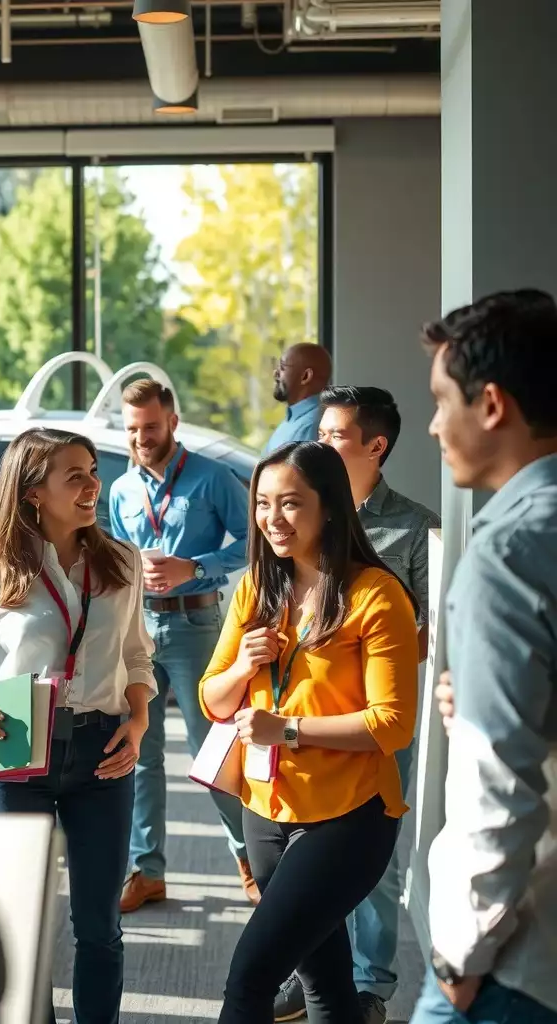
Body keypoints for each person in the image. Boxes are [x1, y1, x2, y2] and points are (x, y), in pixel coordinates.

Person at [0, 427, 156, 1024]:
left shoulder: (122, 562)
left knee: (99, 925)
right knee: (23, 922)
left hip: (102, 747)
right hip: (15, 745)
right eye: (74, 476)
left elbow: (136, 656)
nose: (91, 486)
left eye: (92, 472)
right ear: (33, 493)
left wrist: (138, 720)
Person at [201, 440, 419, 1024]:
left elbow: (392, 724)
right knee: (323, 980)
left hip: (349, 815)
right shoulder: (255, 588)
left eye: (291, 503)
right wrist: (245, 666)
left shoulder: (376, 595)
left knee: (249, 978)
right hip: (266, 808)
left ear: (330, 507)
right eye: (263, 503)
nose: (272, 518)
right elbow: (211, 697)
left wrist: (288, 729)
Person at [409, 290, 557, 1024]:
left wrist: (459, 958)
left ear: (492, 405)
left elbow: (500, 779)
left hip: (517, 965)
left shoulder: (508, 555)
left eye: (442, 401)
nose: (434, 425)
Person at [273, 386, 440, 1023]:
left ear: (376, 446)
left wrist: (369, 650)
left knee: (371, 853)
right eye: (319, 431)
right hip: (297, 713)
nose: (319, 443)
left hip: (372, 717)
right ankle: (317, 973)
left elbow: (428, 631)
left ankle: (371, 986)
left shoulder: (414, 527)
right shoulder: (301, 514)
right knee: (299, 843)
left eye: (336, 435)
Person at [107, 378, 254, 911]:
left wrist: (194, 566)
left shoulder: (213, 479)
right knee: (138, 754)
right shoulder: (121, 490)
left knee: (210, 751)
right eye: (132, 429)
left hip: (197, 627)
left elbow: (253, 543)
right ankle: (146, 872)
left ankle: (250, 858)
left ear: (172, 420)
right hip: (138, 629)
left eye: (150, 426)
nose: (141, 438)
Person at [263, 343, 333, 455]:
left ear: (305, 376)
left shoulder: (311, 427)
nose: (275, 373)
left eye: (282, 367)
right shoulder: (295, 419)